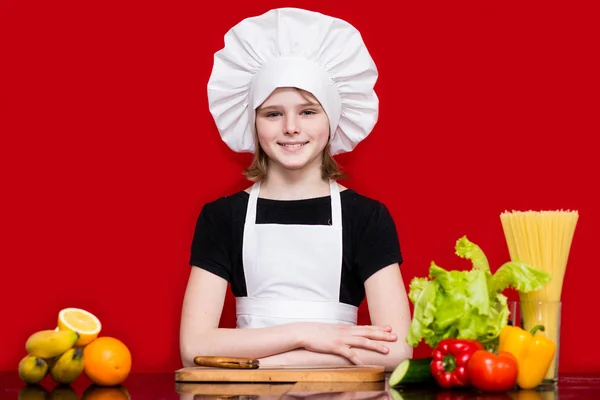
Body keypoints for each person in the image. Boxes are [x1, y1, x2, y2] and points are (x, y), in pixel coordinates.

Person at [179, 7, 413, 372]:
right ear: (253, 122)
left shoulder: (366, 217)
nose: (290, 127)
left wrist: (275, 361)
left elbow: (397, 349)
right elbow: (194, 346)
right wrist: (307, 334)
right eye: (272, 113)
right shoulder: (222, 217)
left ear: (332, 119)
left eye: (308, 111)